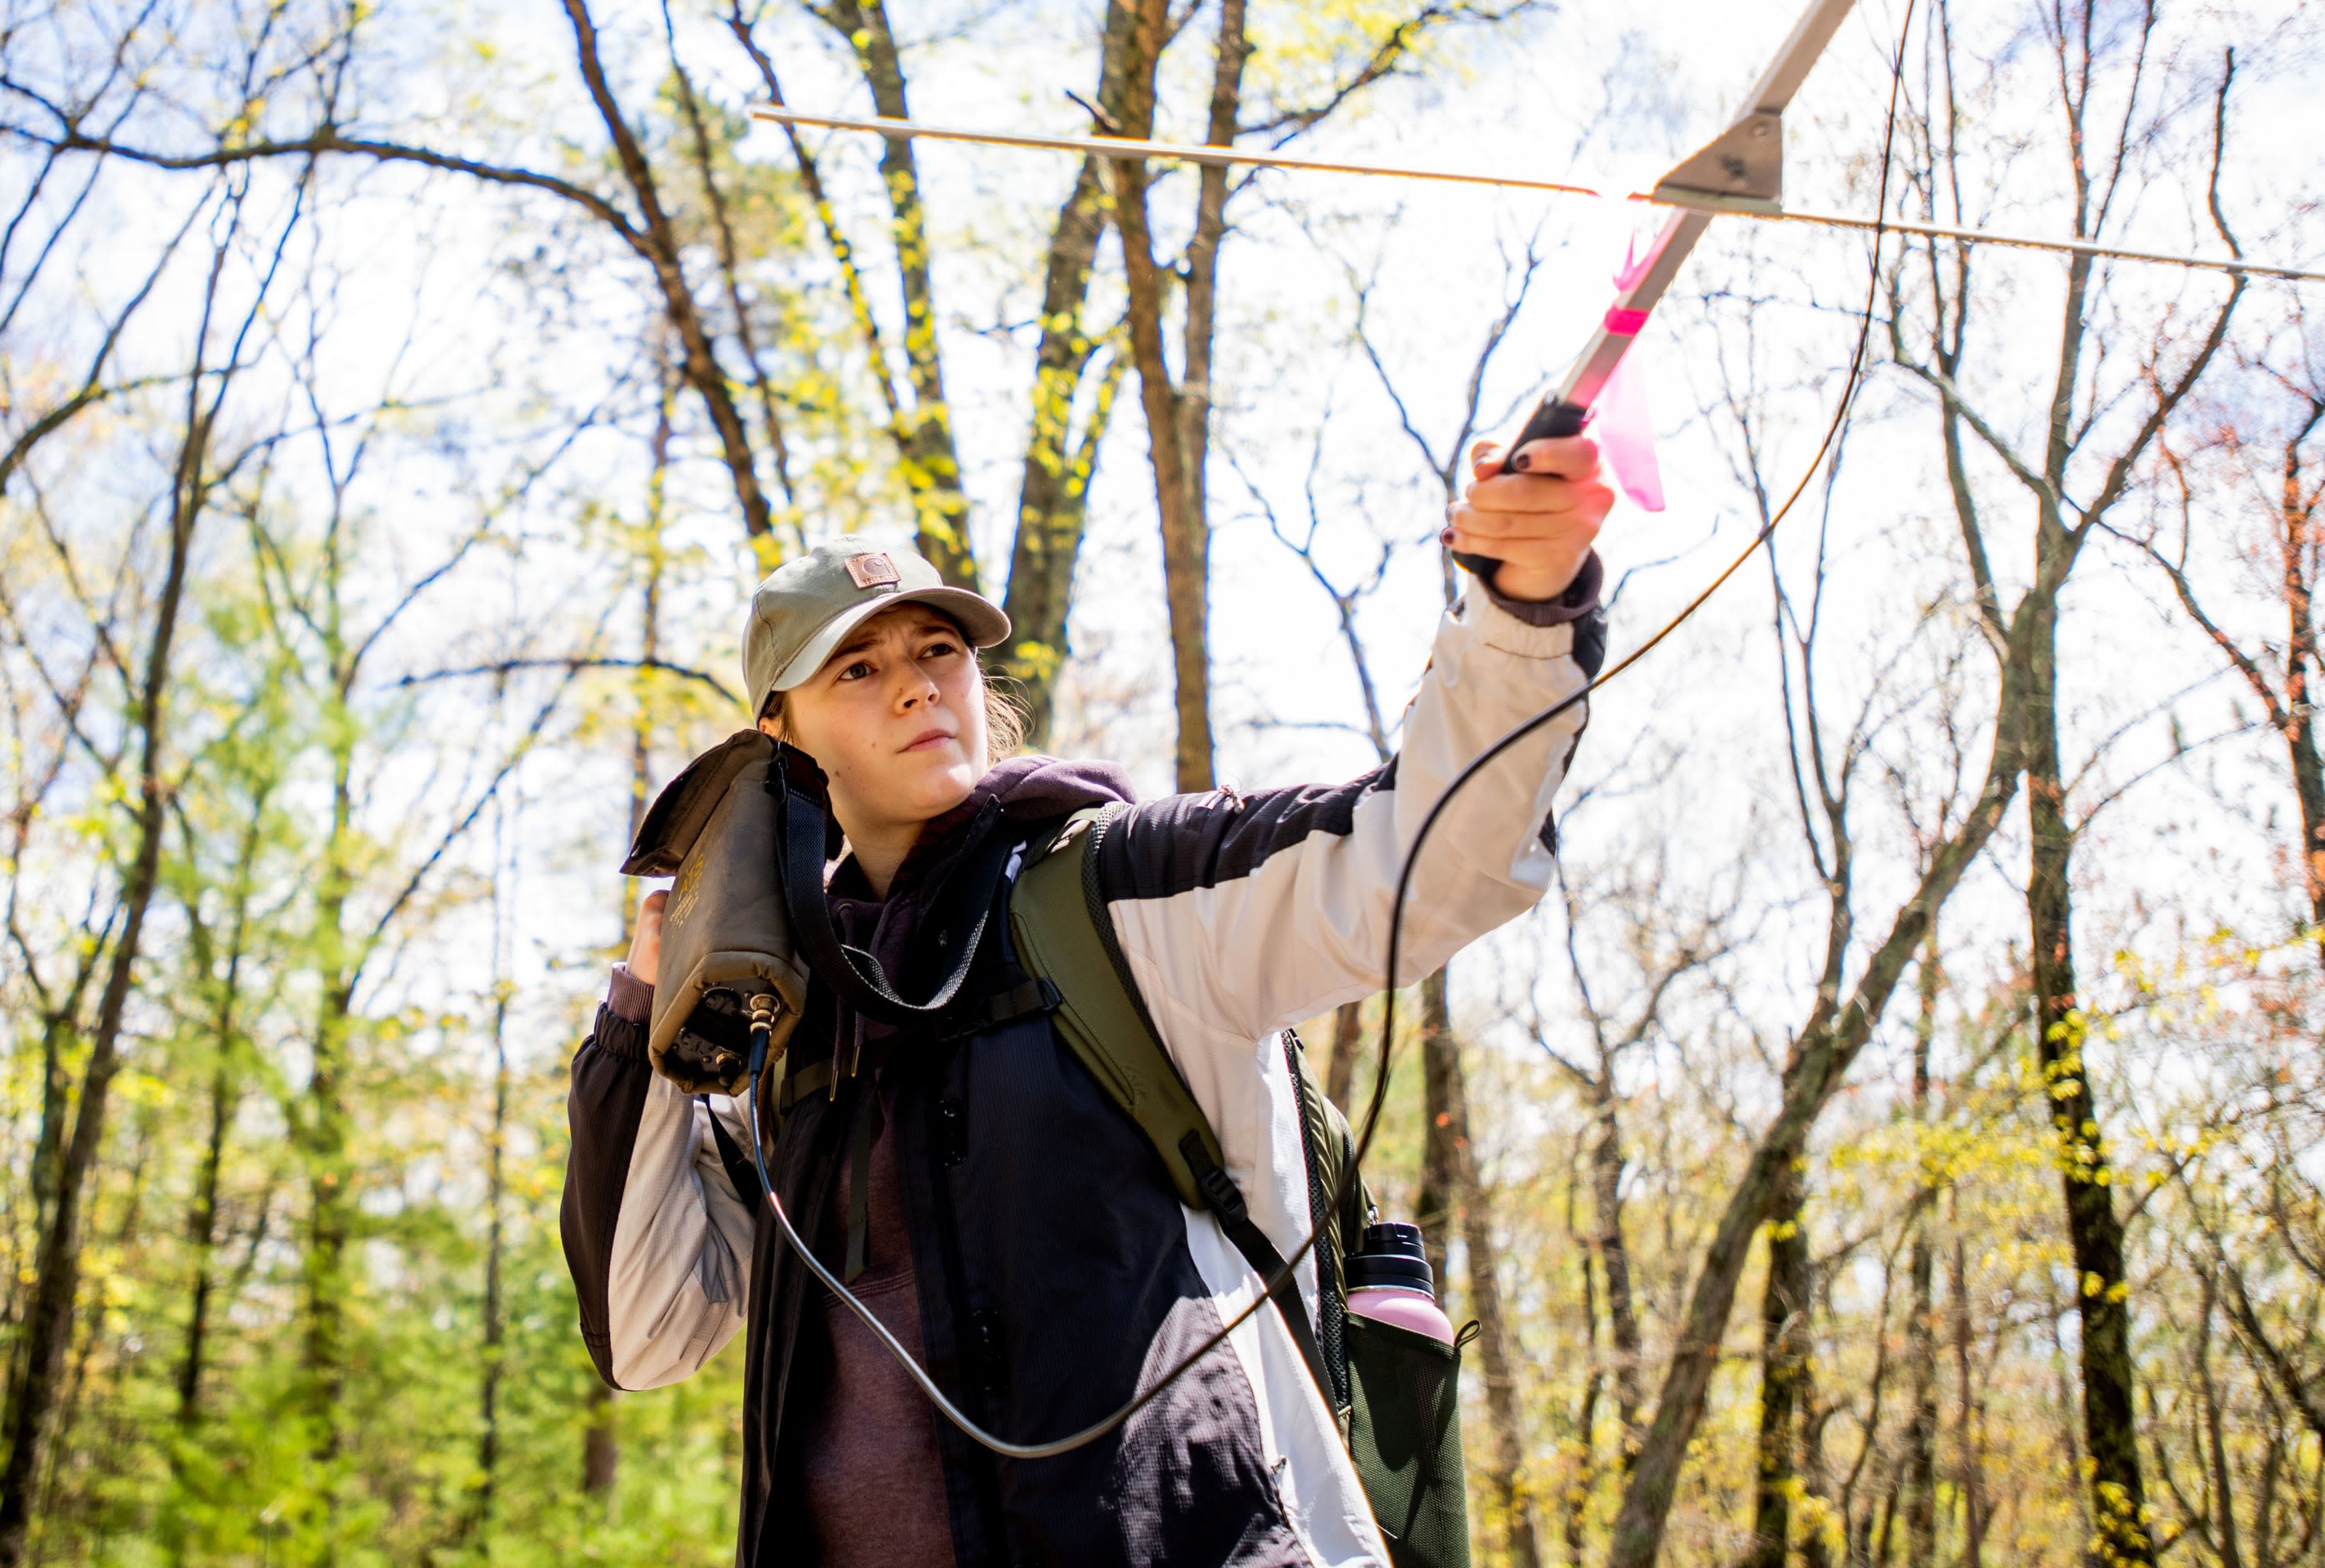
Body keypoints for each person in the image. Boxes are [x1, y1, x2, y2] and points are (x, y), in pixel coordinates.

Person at [561, 436, 1615, 1567]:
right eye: (856, 669)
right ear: (781, 737)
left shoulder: (1123, 894)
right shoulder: (786, 1021)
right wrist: (645, 1013)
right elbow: (648, 1333)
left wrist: (1522, 614)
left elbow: (1435, 857)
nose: (919, 681)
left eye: (939, 649)